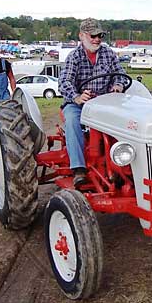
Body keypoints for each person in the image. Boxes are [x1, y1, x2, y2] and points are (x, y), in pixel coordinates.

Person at [59, 18, 128, 186]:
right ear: (82, 36)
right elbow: (64, 82)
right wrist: (77, 96)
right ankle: (79, 168)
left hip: (104, 102)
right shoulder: (74, 57)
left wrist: (118, 85)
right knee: (73, 121)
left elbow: (121, 74)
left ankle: (121, 163)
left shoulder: (108, 54)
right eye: (93, 35)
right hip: (78, 104)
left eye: (100, 35)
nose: (97, 39)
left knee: (125, 121)